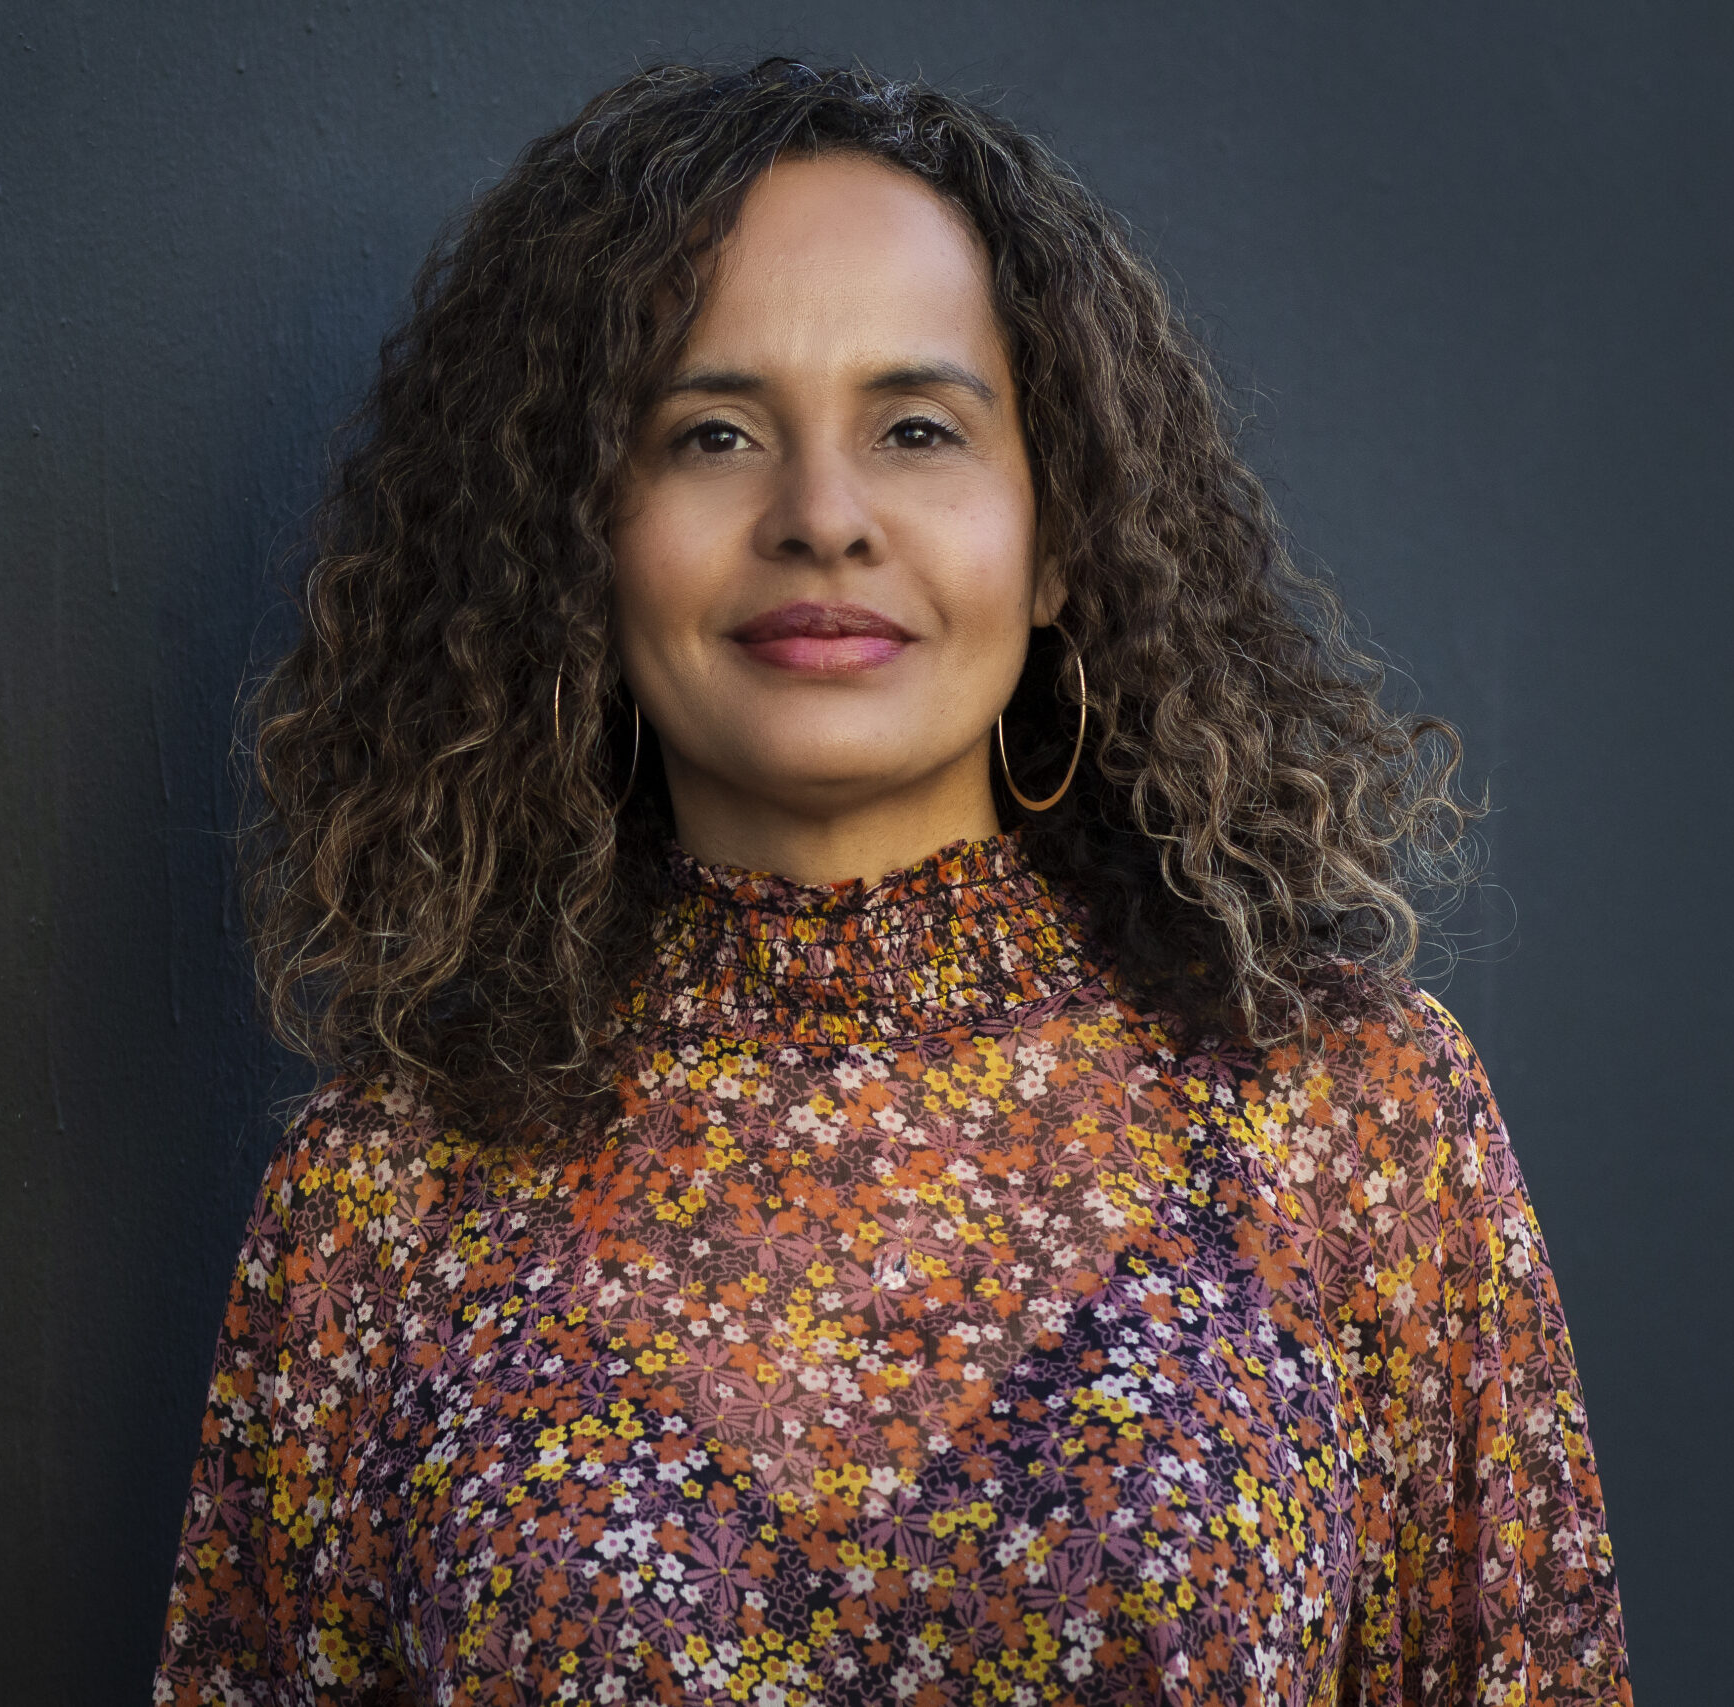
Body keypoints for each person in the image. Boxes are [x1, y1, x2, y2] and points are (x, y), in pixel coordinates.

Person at [153, 60, 1629, 1707]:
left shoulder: (1351, 1117)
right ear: (574, 539)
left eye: (917, 429)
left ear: (1062, 534)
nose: (823, 519)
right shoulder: (385, 1198)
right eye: (712, 433)